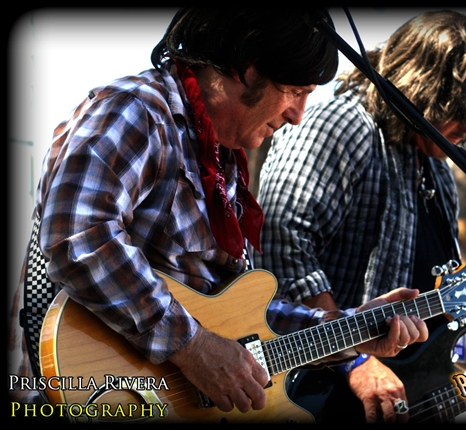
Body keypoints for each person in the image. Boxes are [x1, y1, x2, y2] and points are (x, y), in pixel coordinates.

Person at [7, 7, 429, 423]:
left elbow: (240, 319)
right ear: (248, 67)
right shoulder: (137, 110)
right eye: (294, 91)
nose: (298, 115)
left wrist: (352, 328)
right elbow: (77, 235)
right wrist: (191, 347)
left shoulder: (222, 160)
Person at [254, 9, 466, 424]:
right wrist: (354, 362)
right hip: (310, 395)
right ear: (424, 85)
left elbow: (442, 325)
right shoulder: (342, 124)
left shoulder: (437, 175)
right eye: (465, 111)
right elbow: (281, 244)